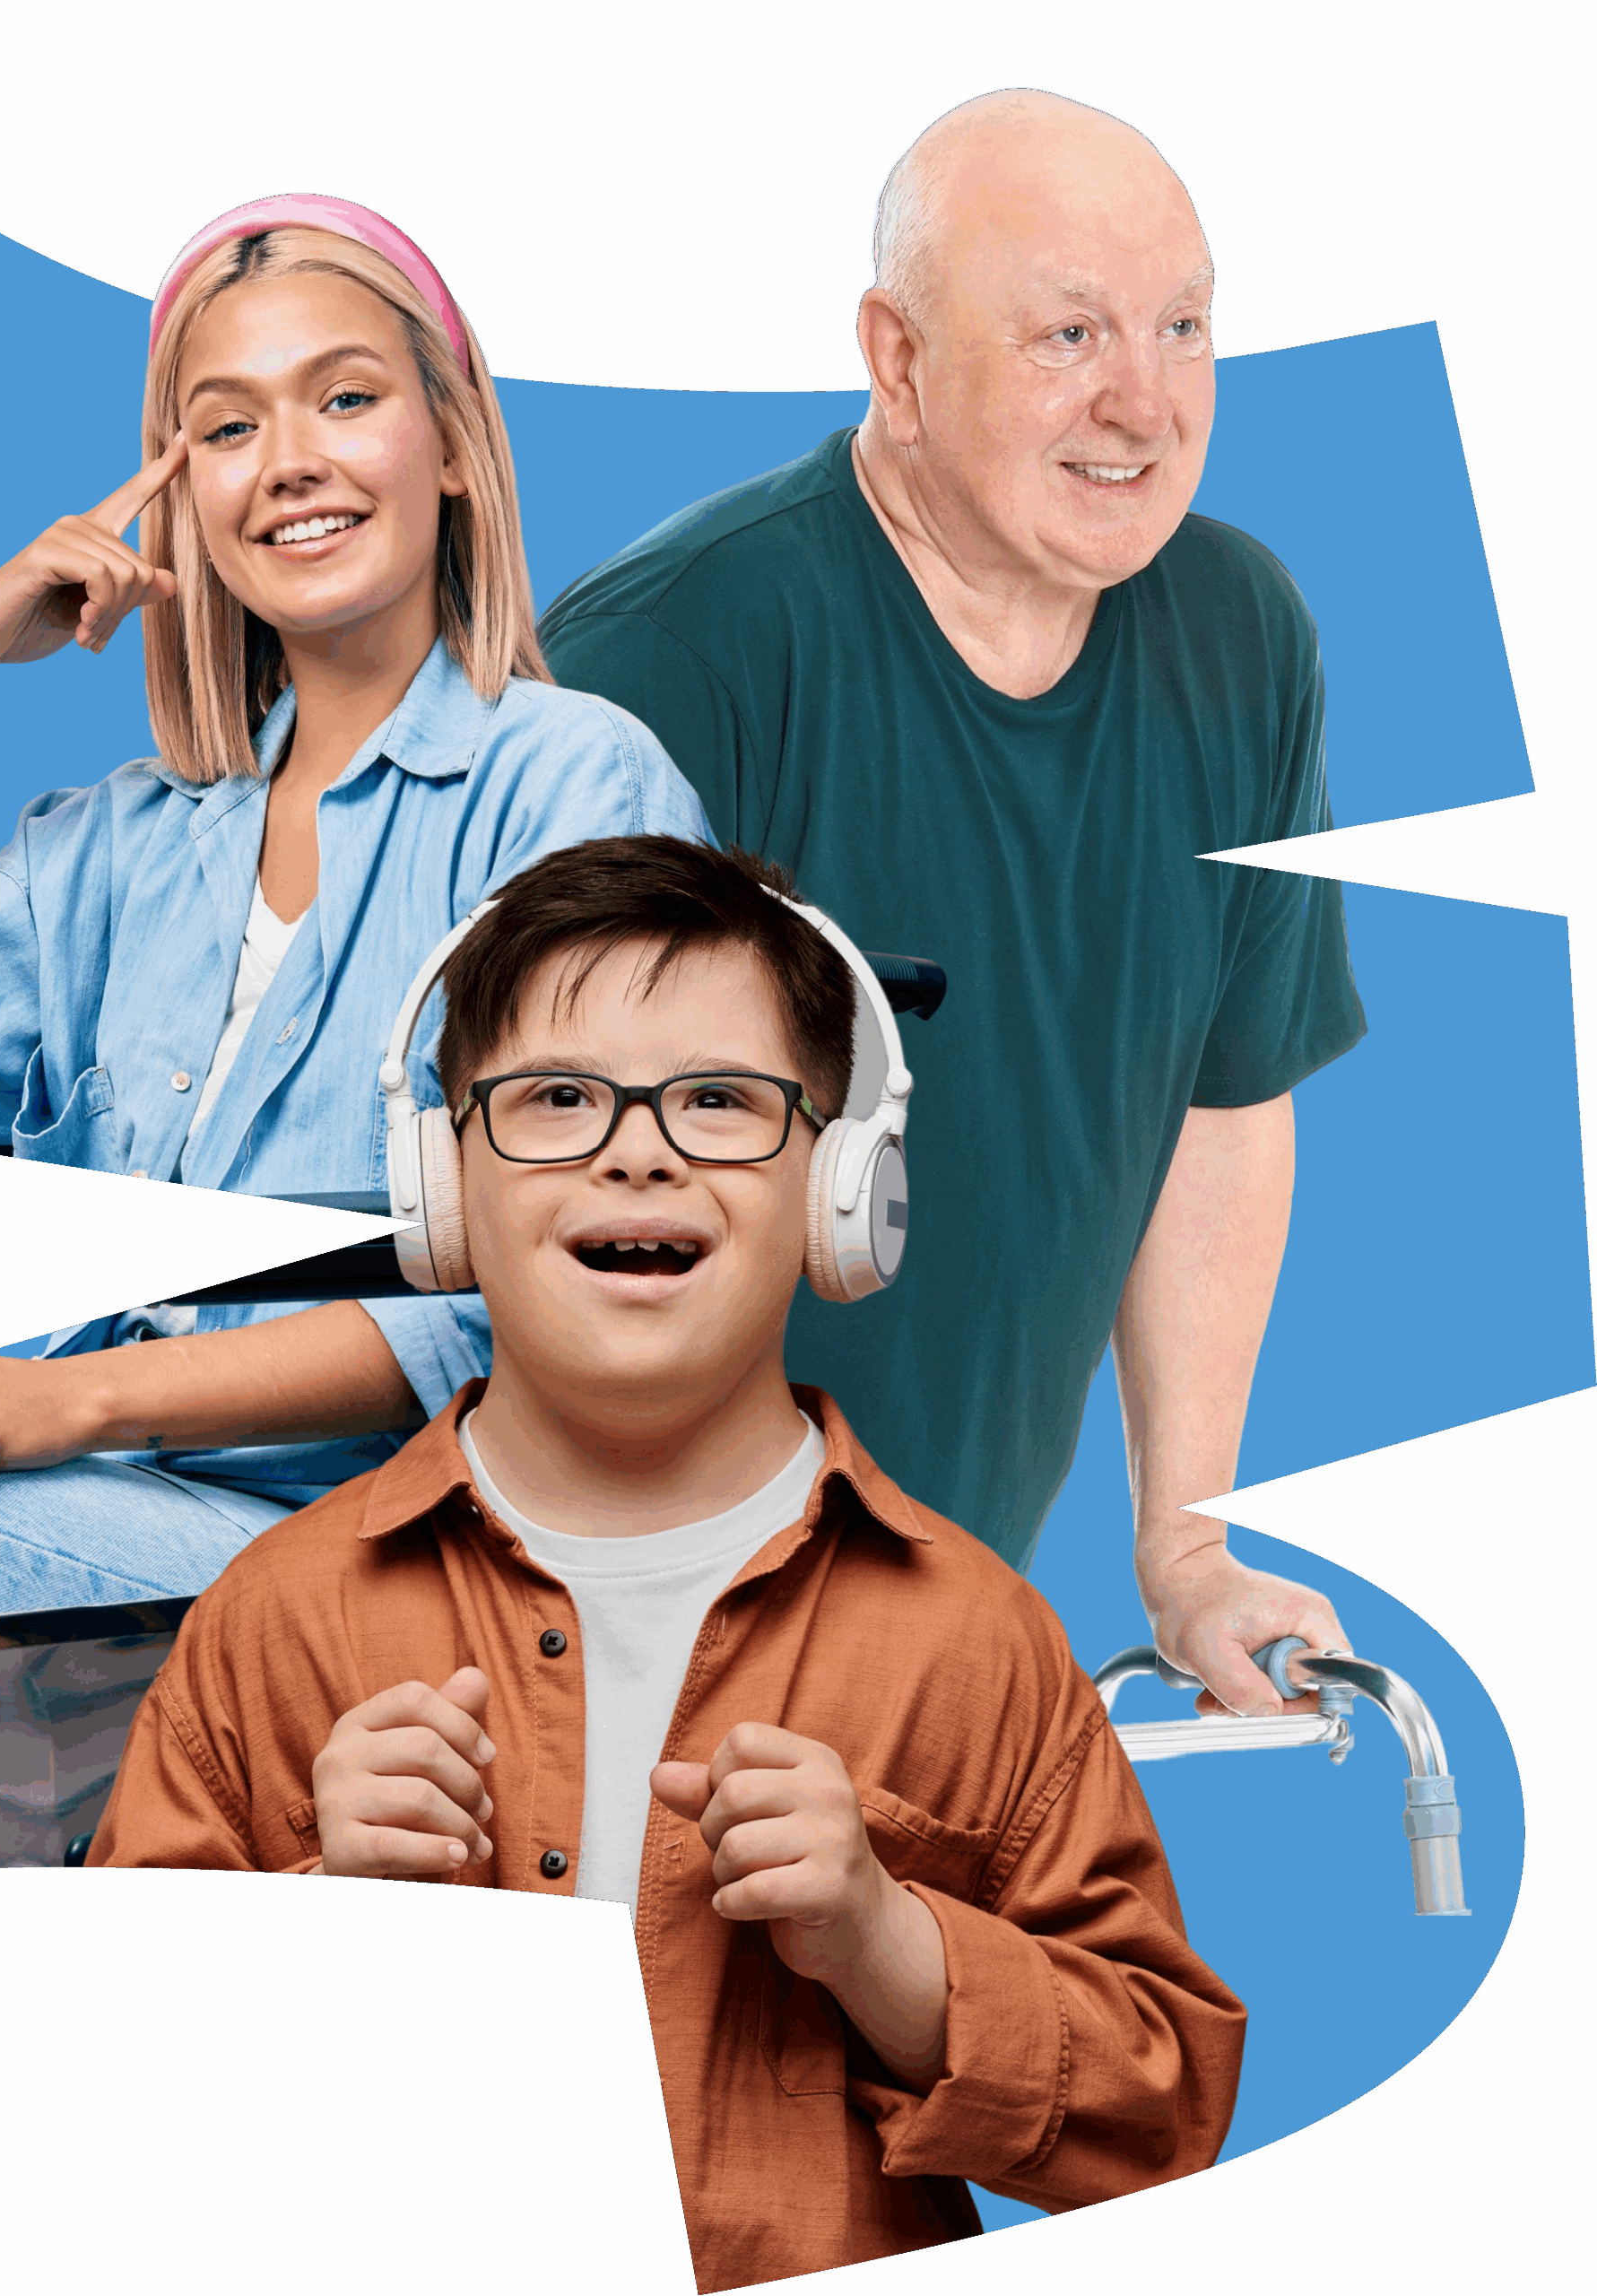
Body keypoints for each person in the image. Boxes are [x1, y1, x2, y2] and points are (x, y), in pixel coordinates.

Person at [89, 835, 1246, 2295]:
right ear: (440, 1183)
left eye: (719, 1101)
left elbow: (1165, 2120)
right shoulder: (278, 1619)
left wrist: (886, 1943)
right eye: (557, 1099)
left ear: (840, 1185)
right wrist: (318, 1930)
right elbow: (104, 2124)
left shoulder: (977, 1639)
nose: (638, 1151)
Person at [0, 196, 708, 1719]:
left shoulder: (575, 785)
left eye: (346, 398)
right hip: (123, 1515)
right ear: (182, 493)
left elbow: (554, 1284)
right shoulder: (121, 849)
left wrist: (60, 1404)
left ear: (454, 445)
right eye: (229, 427)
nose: (292, 462)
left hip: (419, 1566)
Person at [538, 91, 1366, 1722]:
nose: (1143, 403)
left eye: (1184, 326)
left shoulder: (1240, 636)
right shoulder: (673, 662)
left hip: (925, 1633)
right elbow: (500, 1204)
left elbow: (1221, 1105)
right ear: (899, 363)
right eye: (1069, 334)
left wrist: (1184, 1543)